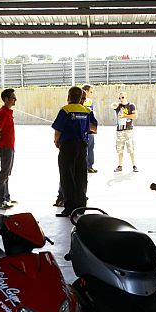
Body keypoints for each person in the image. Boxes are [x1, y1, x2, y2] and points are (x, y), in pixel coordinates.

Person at [52, 86, 97, 217]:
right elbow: (94, 128)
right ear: (81, 98)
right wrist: (82, 127)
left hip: (68, 146)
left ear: (69, 97)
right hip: (82, 146)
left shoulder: (65, 110)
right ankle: (81, 207)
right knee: (81, 177)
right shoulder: (87, 111)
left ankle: (69, 208)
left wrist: (56, 141)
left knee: (67, 177)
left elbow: (58, 130)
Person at [0, 88, 17, 209]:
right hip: (5, 147)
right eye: (13, 97)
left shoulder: (8, 112)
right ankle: (1, 199)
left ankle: (6, 197)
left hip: (10, 146)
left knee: (7, 173)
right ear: (6, 99)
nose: (15, 100)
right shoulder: (2, 113)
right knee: (4, 173)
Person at [112, 91, 138, 172]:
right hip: (120, 130)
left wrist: (125, 116)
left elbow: (135, 116)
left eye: (122, 97)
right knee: (120, 149)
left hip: (129, 130)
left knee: (131, 149)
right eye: (119, 98)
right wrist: (115, 104)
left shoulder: (131, 105)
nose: (121, 99)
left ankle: (134, 165)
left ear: (126, 96)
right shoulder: (118, 106)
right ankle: (120, 166)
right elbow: (113, 106)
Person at [82, 84, 97, 173]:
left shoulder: (90, 101)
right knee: (83, 148)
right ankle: (84, 167)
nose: (91, 93)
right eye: (90, 92)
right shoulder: (80, 100)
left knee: (90, 147)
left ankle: (89, 166)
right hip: (83, 128)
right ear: (86, 91)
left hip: (89, 128)